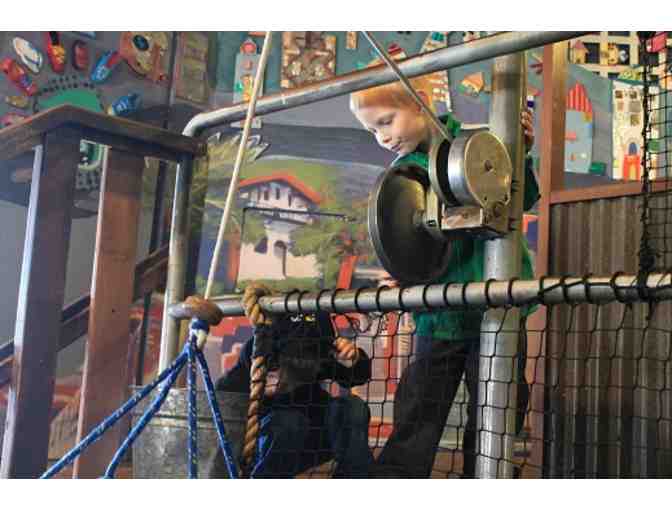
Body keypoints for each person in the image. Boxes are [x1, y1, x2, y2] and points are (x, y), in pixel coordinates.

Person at [350, 73, 537, 478]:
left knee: (497, 411)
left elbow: (520, 198)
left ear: (419, 102)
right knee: (418, 411)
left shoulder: (476, 147)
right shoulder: (404, 176)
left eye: (386, 121)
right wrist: (402, 273)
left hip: (498, 309)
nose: (382, 137)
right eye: (372, 131)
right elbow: (407, 244)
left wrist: (519, 154)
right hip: (438, 315)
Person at [211, 283, 373, 478]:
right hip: (272, 442)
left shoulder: (319, 351)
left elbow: (357, 376)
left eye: (309, 354)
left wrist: (354, 359)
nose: (303, 359)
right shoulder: (261, 350)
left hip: (316, 439)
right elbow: (224, 394)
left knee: (352, 407)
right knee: (288, 422)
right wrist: (261, 391)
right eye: (297, 354)